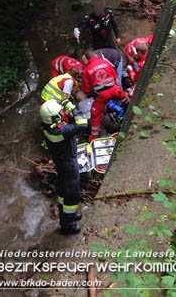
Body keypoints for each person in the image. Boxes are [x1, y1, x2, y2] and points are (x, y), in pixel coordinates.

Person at [40, 100, 89, 235]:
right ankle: (68, 224)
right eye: (59, 113)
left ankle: (67, 216)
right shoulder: (59, 131)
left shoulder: (46, 126)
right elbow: (83, 123)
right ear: (54, 117)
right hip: (68, 163)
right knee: (72, 195)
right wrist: (72, 108)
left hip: (61, 162)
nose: (62, 114)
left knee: (63, 190)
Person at [80, 50, 128, 141]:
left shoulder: (87, 70)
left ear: (87, 60)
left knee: (95, 115)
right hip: (114, 89)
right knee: (126, 100)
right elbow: (116, 79)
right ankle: (130, 117)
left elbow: (86, 89)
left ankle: (93, 137)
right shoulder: (105, 62)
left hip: (102, 95)